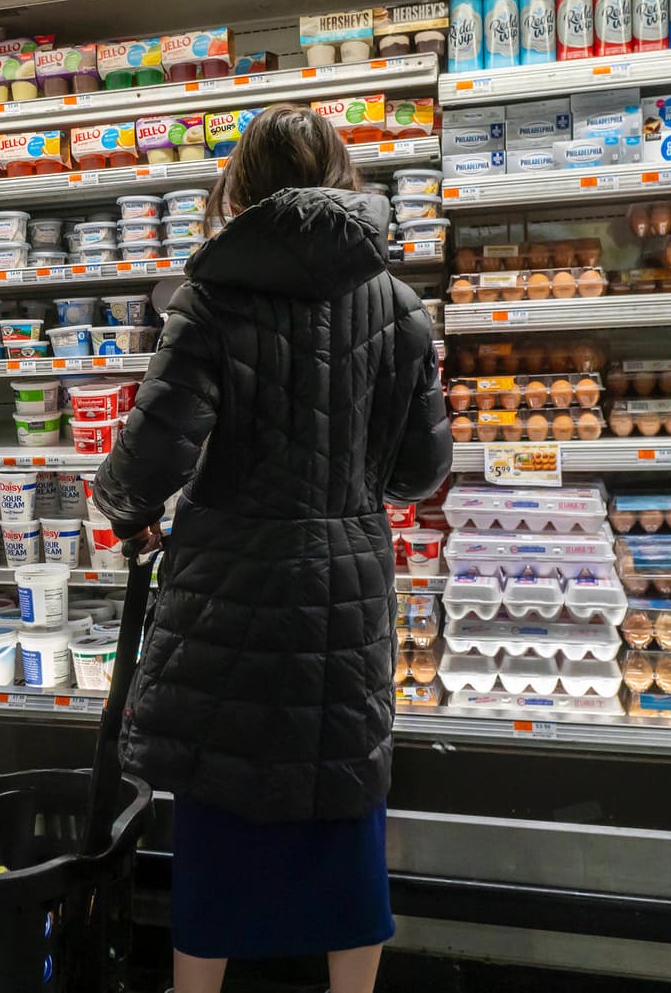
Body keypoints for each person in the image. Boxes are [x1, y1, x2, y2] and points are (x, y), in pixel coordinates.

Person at [92, 104, 453, 993]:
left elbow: (148, 460)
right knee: (345, 800)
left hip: (229, 593)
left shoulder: (211, 300)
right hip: (348, 590)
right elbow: (421, 470)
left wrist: (123, 509)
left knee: (221, 810)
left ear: (240, 188)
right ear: (345, 179)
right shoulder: (401, 306)